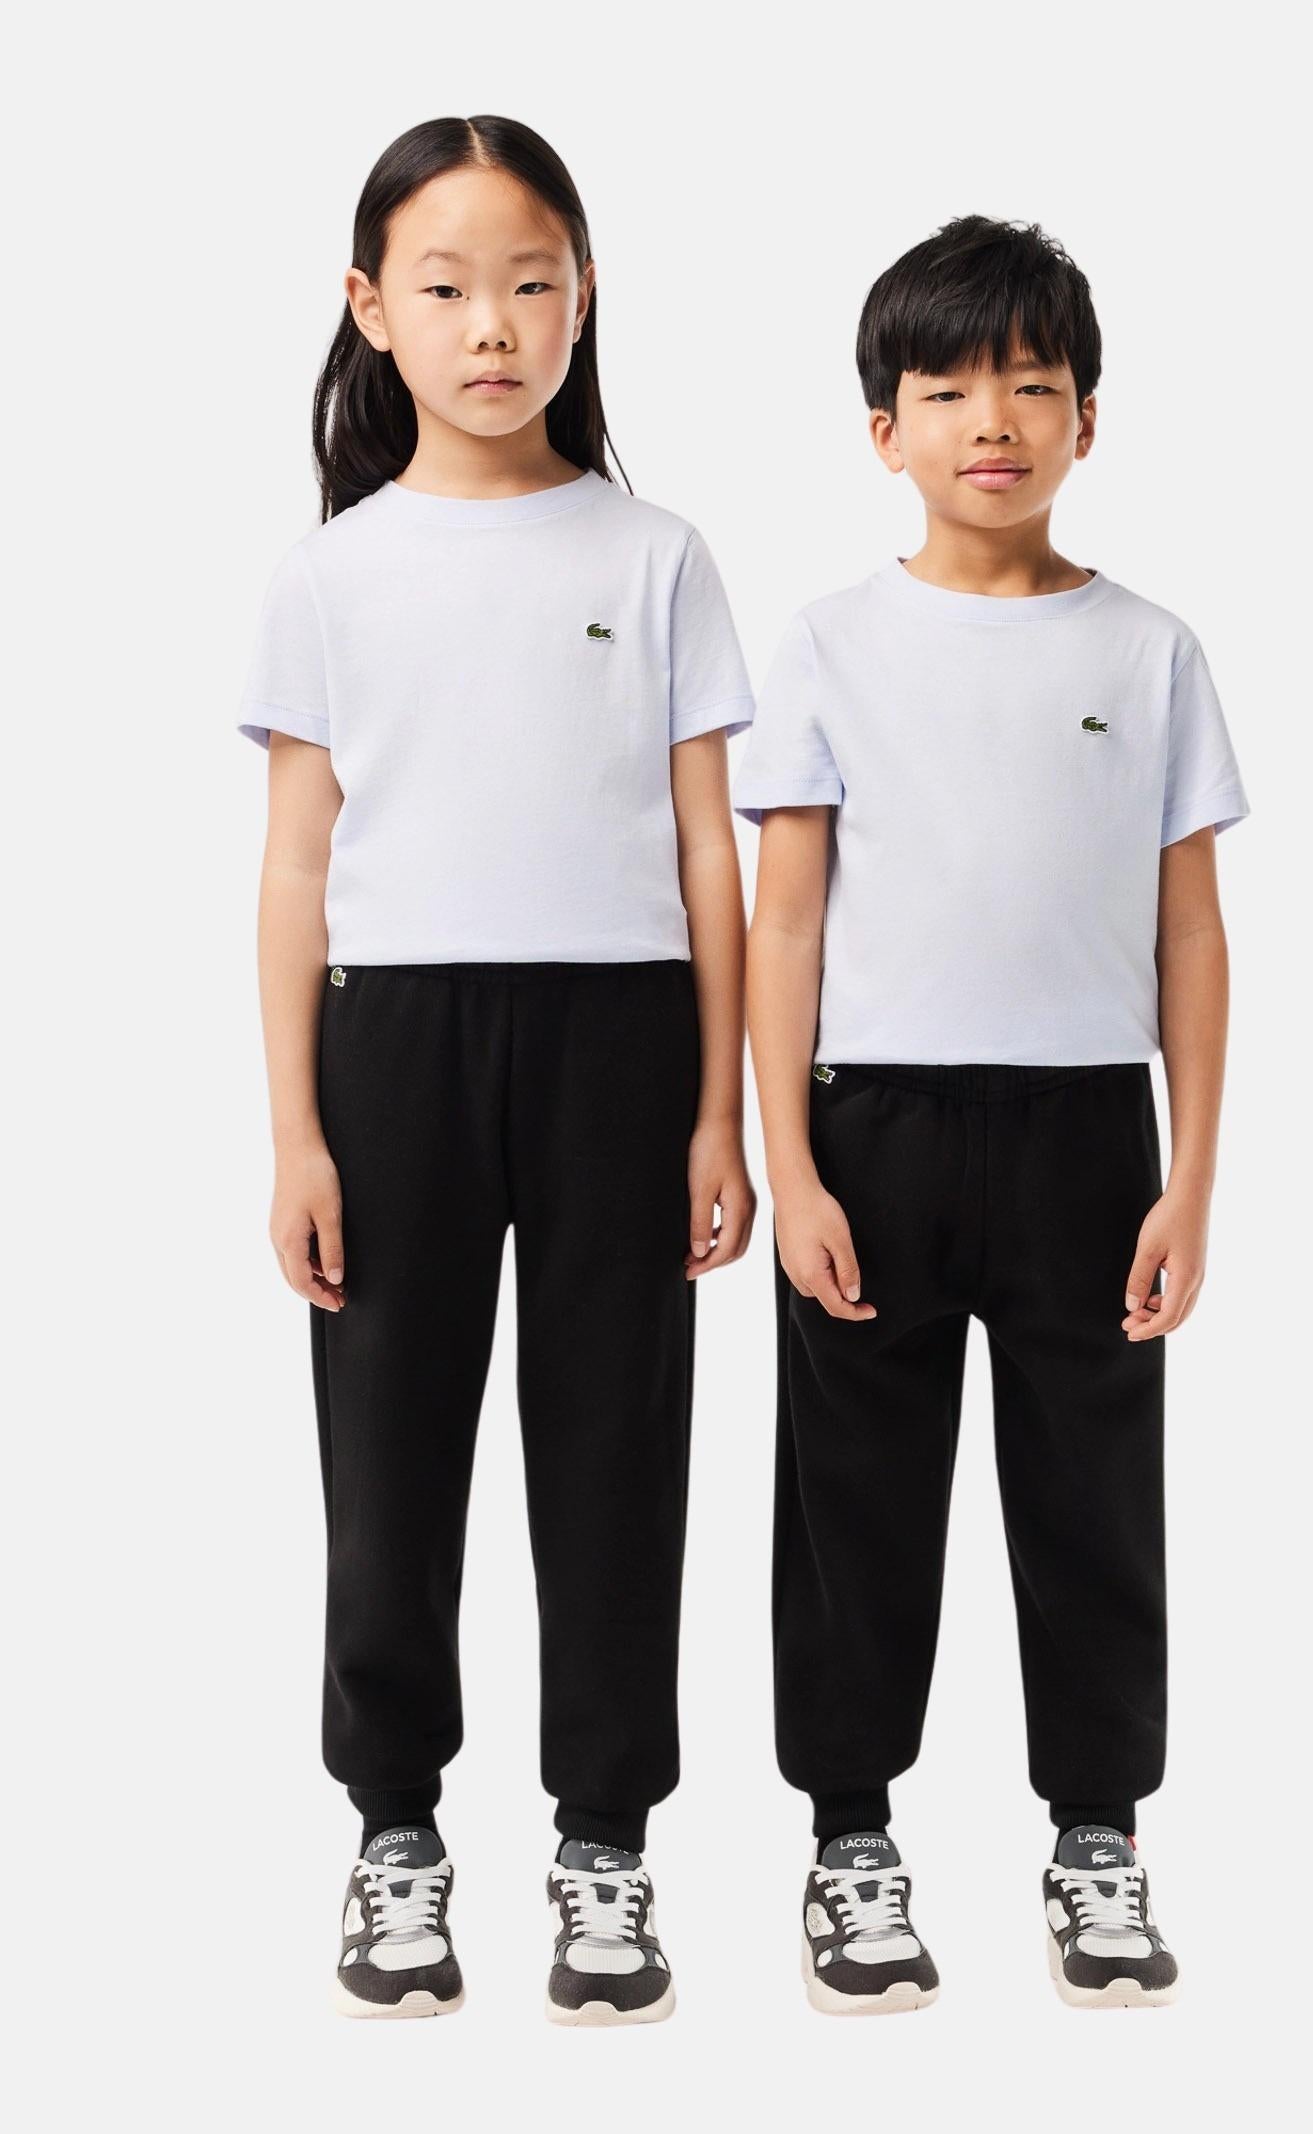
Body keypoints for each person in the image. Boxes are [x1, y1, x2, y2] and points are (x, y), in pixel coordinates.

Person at [236, 114, 756, 2024]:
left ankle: (605, 1845)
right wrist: (296, 1129)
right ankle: (395, 1830)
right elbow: (298, 867)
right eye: (445, 287)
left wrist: (716, 1107)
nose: (491, 326)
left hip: (620, 1039)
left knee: (614, 1451)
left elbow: (708, 848)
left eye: (530, 283)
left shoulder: (656, 551)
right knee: (388, 1457)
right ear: (370, 307)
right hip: (395, 1044)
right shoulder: (333, 574)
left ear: (582, 295)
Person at [736, 215, 1249, 2013]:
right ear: (882, 428)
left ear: (1086, 418)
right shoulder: (827, 643)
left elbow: (1191, 929)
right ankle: (849, 1840)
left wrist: (1190, 1175)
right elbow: (782, 922)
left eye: (1031, 385)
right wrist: (789, 1162)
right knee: (852, 1500)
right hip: (870, 1127)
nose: (992, 422)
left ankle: (1096, 1834)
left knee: (1093, 1494)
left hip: (1086, 1134)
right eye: (946, 389)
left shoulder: (1149, 649)